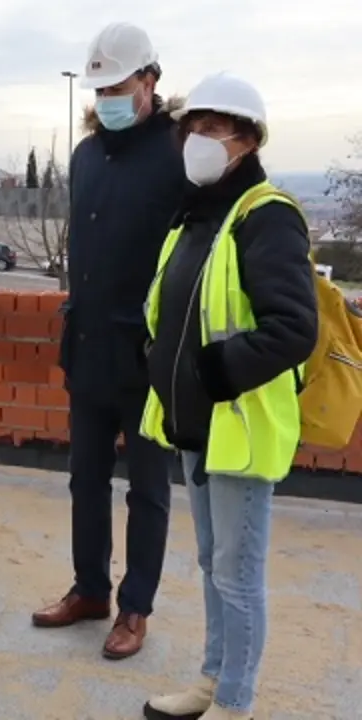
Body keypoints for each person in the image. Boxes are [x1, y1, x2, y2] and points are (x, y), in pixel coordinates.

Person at [140, 73, 317, 720]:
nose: (197, 139)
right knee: (213, 564)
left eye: (213, 129)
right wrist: (155, 359)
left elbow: (293, 327)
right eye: (193, 128)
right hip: (196, 426)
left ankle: (235, 702)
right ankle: (212, 682)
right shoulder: (195, 216)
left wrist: (214, 374)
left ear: (248, 140)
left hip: (237, 423)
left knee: (238, 576)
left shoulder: (266, 216)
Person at [31, 22, 184, 661]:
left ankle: (134, 607)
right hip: (90, 345)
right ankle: (89, 589)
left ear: (150, 80)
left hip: (148, 355)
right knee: (85, 479)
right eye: (101, 90)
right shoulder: (87, 155)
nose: (108, 100)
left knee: (147, 489)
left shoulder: (179, 151)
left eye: (118, 88)